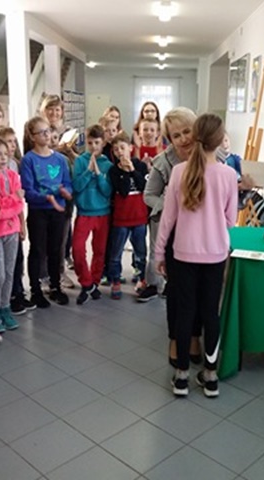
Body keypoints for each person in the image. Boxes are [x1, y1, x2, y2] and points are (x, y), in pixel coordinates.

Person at [155, 113, 238, 397]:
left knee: (184, 312)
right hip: (215, 255)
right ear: (221, 140)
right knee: (210, 313)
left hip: (183, 255)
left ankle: (181, 376)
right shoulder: (229, 175)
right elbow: (230, 221)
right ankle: (211, 376)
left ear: (195, 137)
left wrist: (159, 254)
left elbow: (168, 219)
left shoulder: (179, 172)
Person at [142, 107, 203, 368]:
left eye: (187, 131)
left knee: (200, 291)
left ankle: (194, 336)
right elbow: (148, 195)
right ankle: (176, 339)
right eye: (176, 135)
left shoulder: (211, 156)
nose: (183, 139)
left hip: (204, 236)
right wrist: (170, 207)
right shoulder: (163, 162)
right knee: (177, 292)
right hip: (174, 235)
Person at [20, 116, 73, 308]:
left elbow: (67, 183)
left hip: (57, 211)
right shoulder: (28, 160)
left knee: (55, 250)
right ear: (32, 136)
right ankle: (35, 290)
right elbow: (28, 191)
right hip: (39, 212)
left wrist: (66, 193)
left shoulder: (60, 159)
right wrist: (48, 197)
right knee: (38, 250)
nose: (46, 135)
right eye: (41, 132)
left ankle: (55, 286)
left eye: (48, 131)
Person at [72, 124, 113, 304]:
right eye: (90, 143)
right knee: (78, 249)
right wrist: (89, 171)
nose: (93, 147)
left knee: (100, 250)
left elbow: (107, 191)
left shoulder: (108, 165)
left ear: (103, 143)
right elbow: (77, 186)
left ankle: (94, 282)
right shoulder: (80, 161)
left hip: (103, 214)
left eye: (97, 142)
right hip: (84, 213)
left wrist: (98, 173)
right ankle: (86, 282)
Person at [107, 132, 148, 299]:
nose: (120, 152)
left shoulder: (140, 165)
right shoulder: (113, 170)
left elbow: (143, 185)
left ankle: (142, 278)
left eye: (122, 148)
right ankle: (115, 280)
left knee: (140, 252)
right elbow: (123, 191)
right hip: (121, 219)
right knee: (116, 252)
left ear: (130, 148)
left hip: (139, 217)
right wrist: (124, 172)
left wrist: (132, 170)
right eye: (116, 149)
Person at [0, 136, 24, 331]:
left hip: (12, 230)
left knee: (10, 272)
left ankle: (5, 307)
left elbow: (19, 205)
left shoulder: (13, 176)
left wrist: (8, 204)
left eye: (5, 154)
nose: (3, 157)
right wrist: (12, 199)